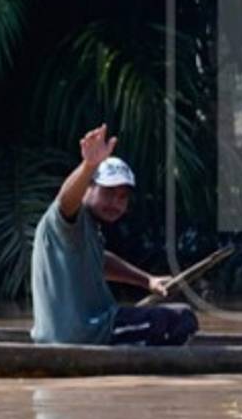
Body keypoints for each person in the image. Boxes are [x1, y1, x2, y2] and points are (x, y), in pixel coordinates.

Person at [30, 124, 198, 345]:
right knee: (182, 319)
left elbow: (102, 261)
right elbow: (64, 201)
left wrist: (148, 281)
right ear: (88, 188)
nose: (115, 204)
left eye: (122, 197)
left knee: (169, 323)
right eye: (108, 193)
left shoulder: (89, 231)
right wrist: (89, 165)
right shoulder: (67, 221)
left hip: (78, 331)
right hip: (86, 334)